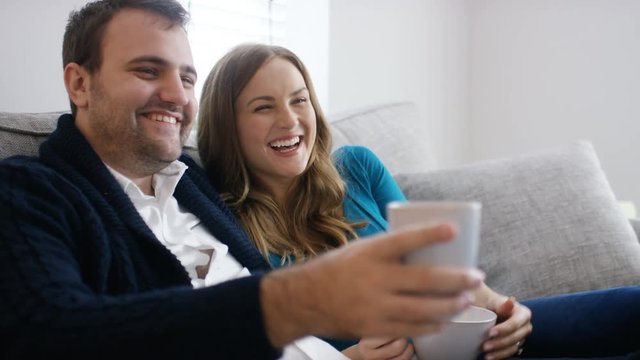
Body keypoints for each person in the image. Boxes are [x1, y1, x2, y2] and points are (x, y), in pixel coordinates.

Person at [0, 1, 487, 359]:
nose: (175, 94)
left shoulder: (193, 185)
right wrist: (297, 299)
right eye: (148, 71)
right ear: (79, 83)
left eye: (187, 78)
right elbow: (51, 334)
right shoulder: (29, 192)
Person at [196, 43, 640, 359]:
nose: (290, 120)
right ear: (227, 125)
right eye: (263, 107)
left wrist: (506, 310)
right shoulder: (219, 222)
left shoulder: (357, 167)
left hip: (468, 339)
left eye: (300, 100)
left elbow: (441, 271)